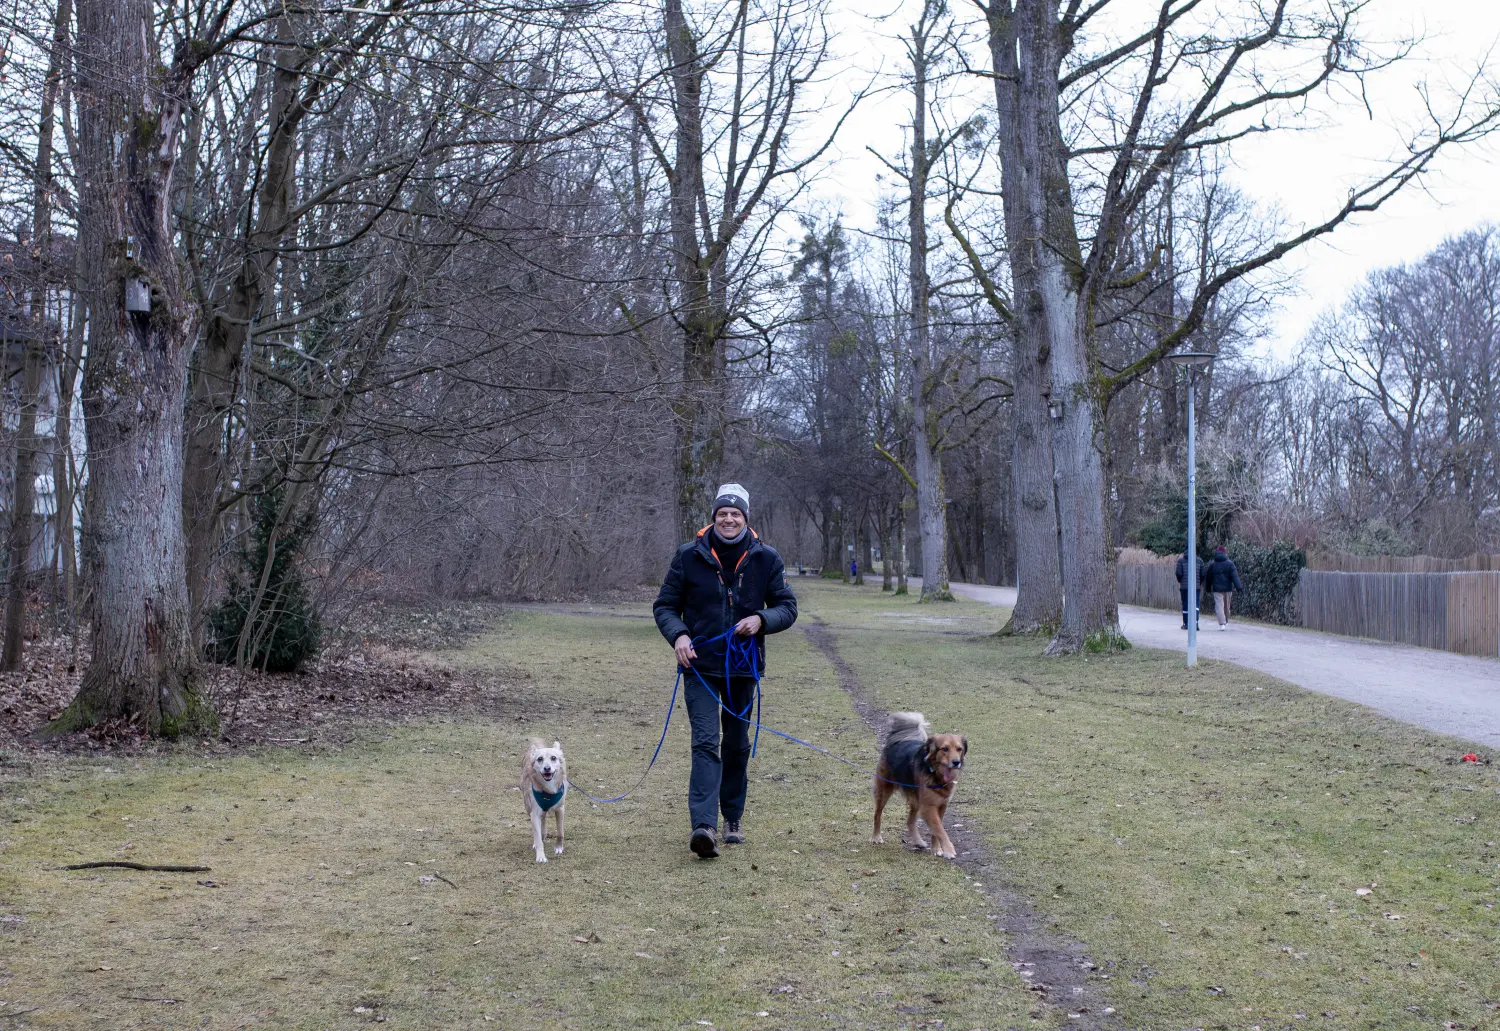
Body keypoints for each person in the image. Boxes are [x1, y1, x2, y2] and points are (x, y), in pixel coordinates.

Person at [653, 483, 798, 859]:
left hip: (742, 666)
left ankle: (732, 816)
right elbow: (665, 606)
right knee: (705, 741)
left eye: (735, 514)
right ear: (713, 518)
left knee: (736, 743)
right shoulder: (688, 556)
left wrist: (761, 619)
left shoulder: (766, 558)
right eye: (722, 514)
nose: (729, 519)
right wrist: (679, 636)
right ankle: (704, 826)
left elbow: (787, 606)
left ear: (746, 518)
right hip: (699, 665)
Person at [1204, 546, 1245, 631]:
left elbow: (1208, 578)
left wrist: (1208, 588)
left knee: (1219, 606)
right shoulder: (1230, 563)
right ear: (1225, 553)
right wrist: (1238, 587)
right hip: (1227, 588)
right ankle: (1225, 621)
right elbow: (1235, 576)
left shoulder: (1212, 564)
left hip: (1217, 589)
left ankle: (1222, 623)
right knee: (1226, 606)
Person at [1175, 549, 1205, 630]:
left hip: (1184, 587)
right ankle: (1195, 623)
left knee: (1185, 604)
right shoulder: (1199, 560)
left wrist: (1180, 580)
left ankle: (1186, 623)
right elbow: (1202, 574)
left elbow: (1178, 573)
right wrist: (1199, 582)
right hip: (1196, 587)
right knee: (1196, 605)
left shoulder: (1180, 561)